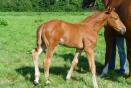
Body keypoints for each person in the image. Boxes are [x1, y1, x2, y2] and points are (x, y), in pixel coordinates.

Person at [103, 0, 126, 75]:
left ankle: (122, 69)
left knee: (121, 50)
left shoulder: (119, 3)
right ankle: (110, 67)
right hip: (111, 31)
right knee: (112, 50)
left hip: (119, 32)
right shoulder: (108, 4)